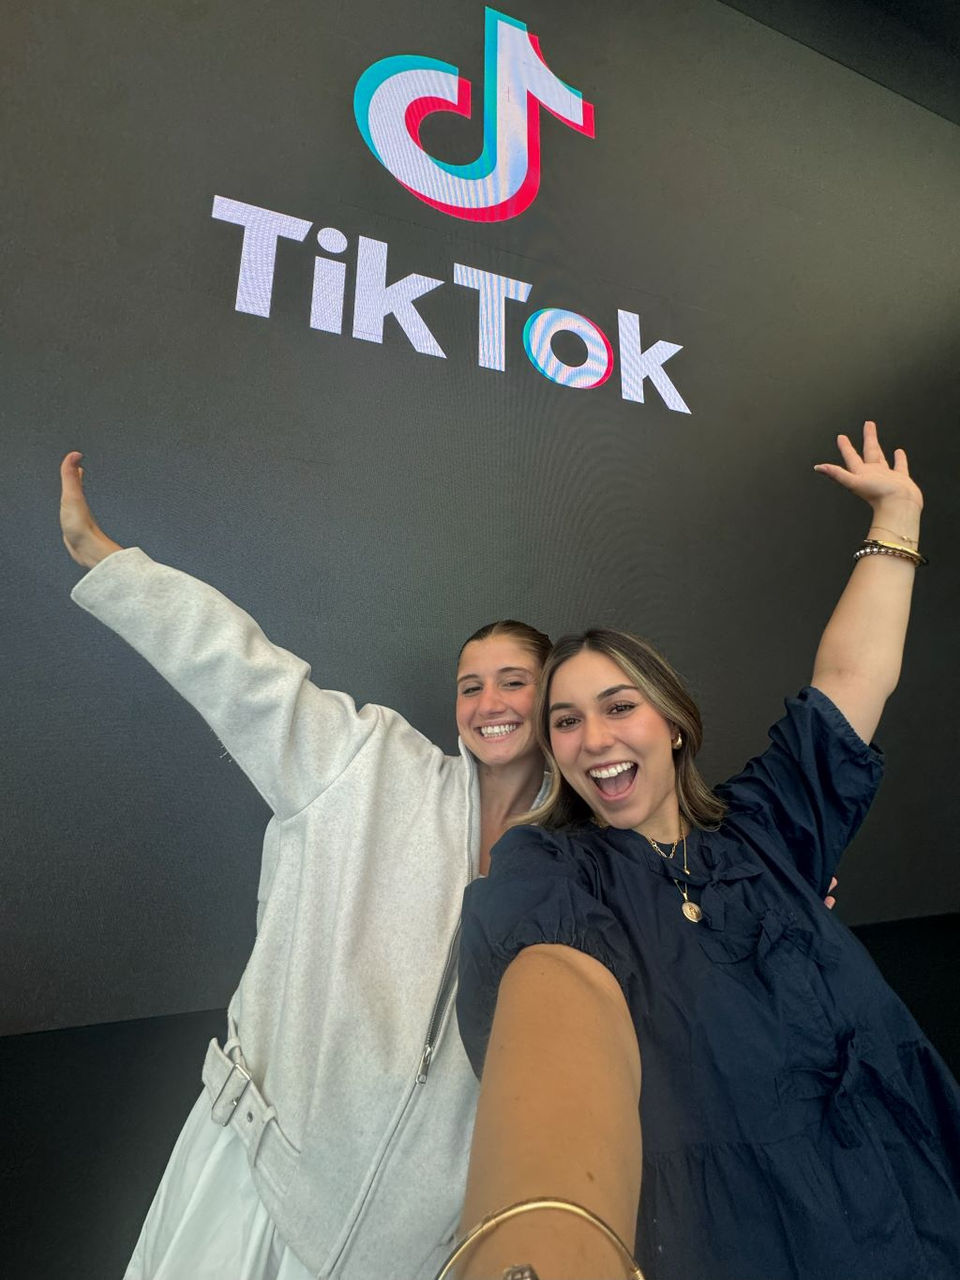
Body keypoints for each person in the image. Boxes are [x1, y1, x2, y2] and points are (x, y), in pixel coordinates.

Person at [454, 422, 960, 1280]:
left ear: (674, 724)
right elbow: (553, 1009)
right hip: (752, 1241)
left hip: (918, 1194)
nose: (593, 738)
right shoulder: (555, 870)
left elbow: (851, 680)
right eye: (565, 721)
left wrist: (898, 516)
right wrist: (544, 1247)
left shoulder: (768, 823)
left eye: (619, 707)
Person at [57, 450, 551, 1280]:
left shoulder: (580, 861)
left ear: (552, 695)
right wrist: (103, 558)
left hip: (414, 1243)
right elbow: (240, 670)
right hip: (256, 1178)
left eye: (513, 682)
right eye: (470, 686)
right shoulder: (371, 764)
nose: (489, 705)